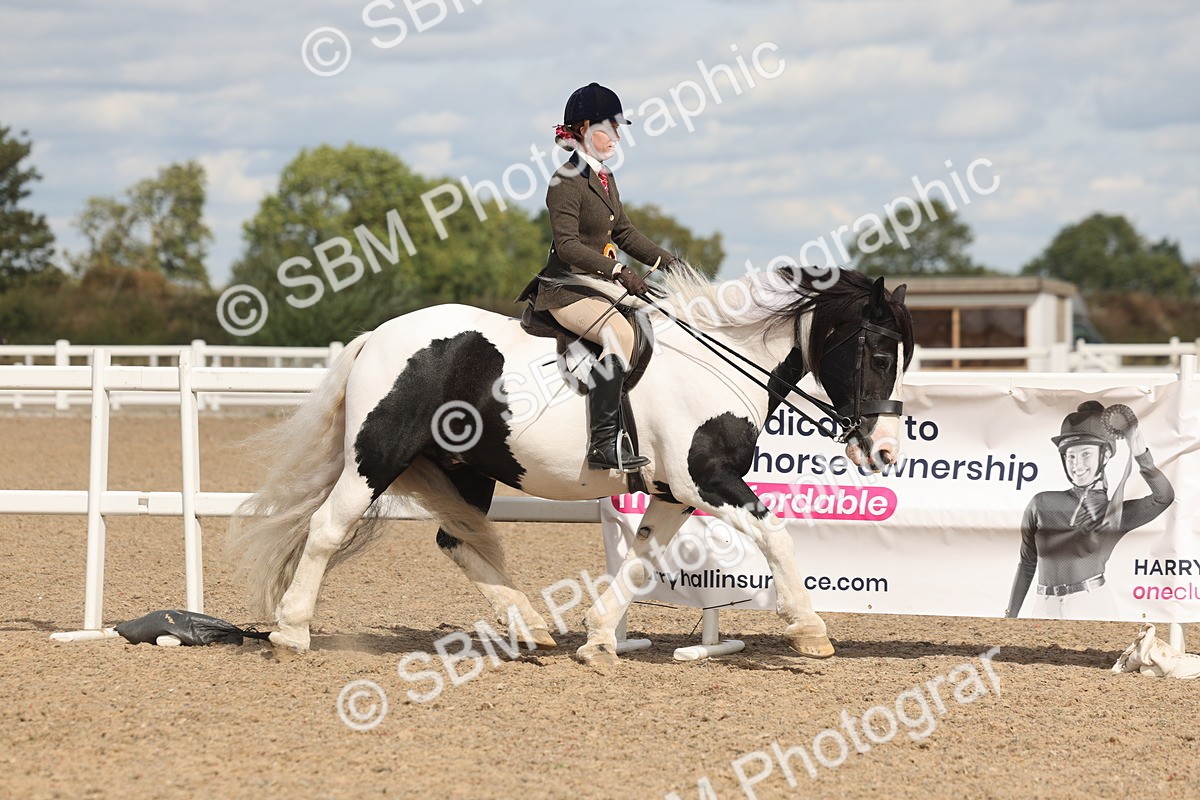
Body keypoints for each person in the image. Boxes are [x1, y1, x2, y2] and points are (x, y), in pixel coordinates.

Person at [518, 82, 680, 472]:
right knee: (619, 334)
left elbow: (623, 233)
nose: (619, 136)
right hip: (566, 289)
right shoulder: (565, 180)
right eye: (613, 127)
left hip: (597, 285)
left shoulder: (604, 177)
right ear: (587, 128)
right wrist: (619, 270)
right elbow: (568, 245)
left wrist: (671, 263)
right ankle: (603, 444)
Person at [1006, 401, 1175, 619]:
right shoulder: (1041, 503)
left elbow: (1164, 497)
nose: (1077, 464)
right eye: (1071, 456)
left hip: (1092, 604)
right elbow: (1028, 562)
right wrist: (1010, 616)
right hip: (1043, 606)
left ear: (1104, 456)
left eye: (1085, 454)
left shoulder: (1114, 514)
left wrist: (1141, 455)